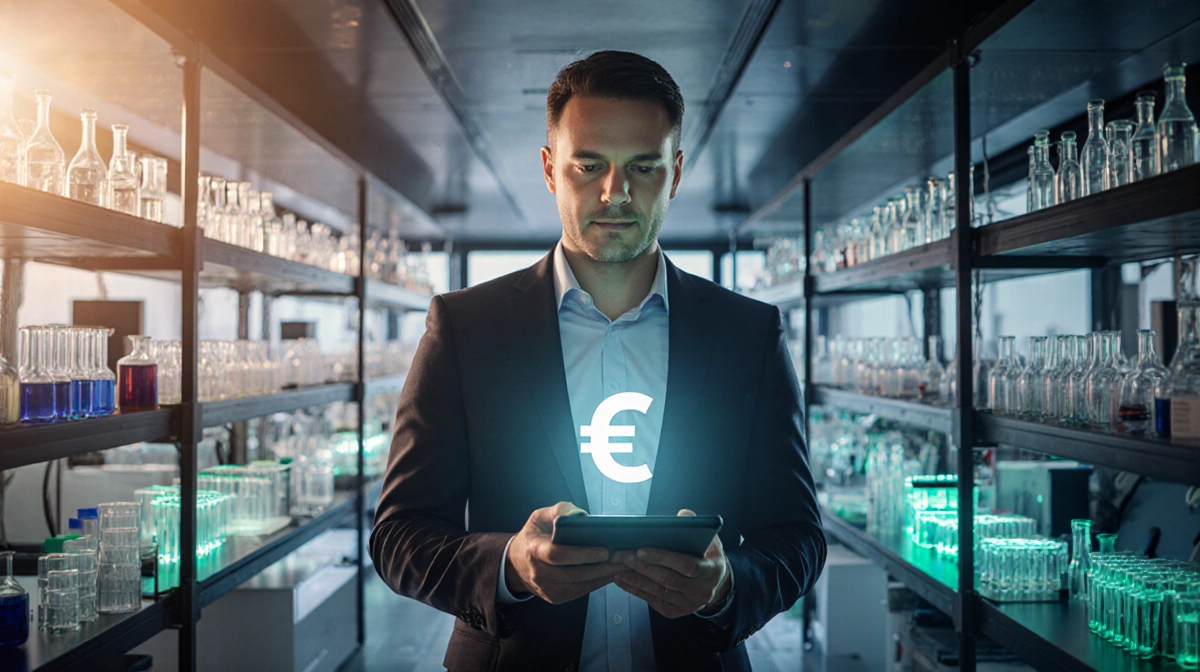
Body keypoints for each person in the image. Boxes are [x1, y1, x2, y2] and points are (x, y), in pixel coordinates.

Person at [371, 50, 825, 672]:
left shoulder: (748, 333)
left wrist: (725, 586)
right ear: (550, 169)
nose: (617, 193)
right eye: (589, 165)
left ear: (677, 172)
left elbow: (798, 537)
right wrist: (512, 565)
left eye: (644, 166)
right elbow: (399, 534)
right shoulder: (465, 328)